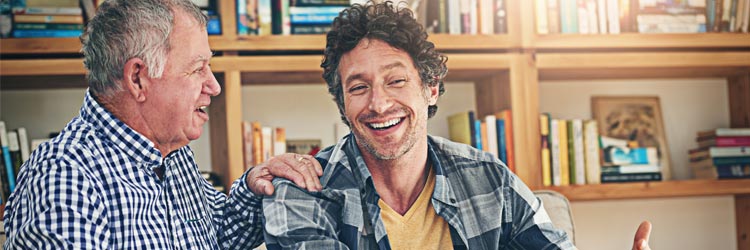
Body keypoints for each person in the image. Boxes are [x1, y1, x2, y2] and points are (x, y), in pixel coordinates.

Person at [262, 1, 652, 249]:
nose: (379, 104)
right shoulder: (301, 194)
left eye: (396, 81)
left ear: (430, 89)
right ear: (343, 104)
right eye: (359, 87)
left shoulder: (489, 180)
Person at [2, 0, 321, 248]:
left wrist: (255, 184)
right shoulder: (65, 174)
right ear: (138, 78)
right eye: (198, 69)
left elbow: (216, 236)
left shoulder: (173, 151)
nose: (214, 86)